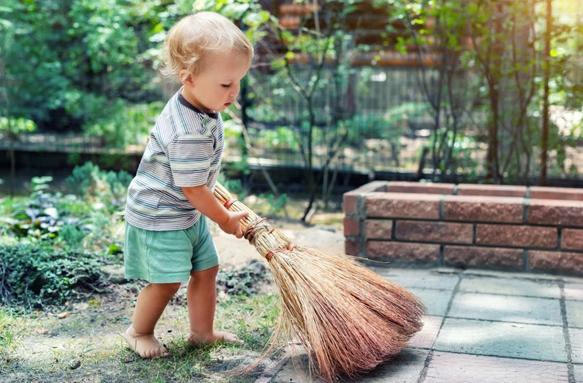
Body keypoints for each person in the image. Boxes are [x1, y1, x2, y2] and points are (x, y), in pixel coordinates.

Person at [122, 11, 253, 359]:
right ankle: (139, 332)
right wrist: (224, 219)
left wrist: (216, 195)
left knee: (206, 269)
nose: (234, 92)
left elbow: (196, 175)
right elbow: (193, 189)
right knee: (166, 280)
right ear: (189, 77)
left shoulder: (202, 106)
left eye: (239, 81)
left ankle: (202, 332)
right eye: (226, 84)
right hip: (161, 215)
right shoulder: (188, 129)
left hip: (185, 212)